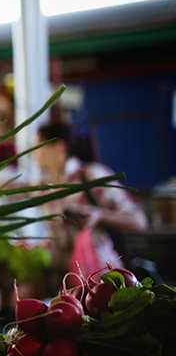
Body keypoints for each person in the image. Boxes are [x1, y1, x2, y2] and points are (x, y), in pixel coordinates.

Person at [32, 121, 147, 292]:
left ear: (58, 147)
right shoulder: (44, 186)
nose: (34, 154)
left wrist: (99, 215)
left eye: (38, 147)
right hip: (65, 286)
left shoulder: (91, 175)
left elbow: (139, 221)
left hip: (103, 283)